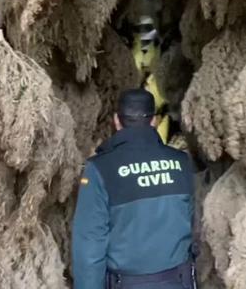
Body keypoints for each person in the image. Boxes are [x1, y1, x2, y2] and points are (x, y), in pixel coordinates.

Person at [71, 89, 196, 289]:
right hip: (178, 282)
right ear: (154, 121)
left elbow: (90, 246)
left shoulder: (100, 169)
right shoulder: (181, 162)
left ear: (117, 121)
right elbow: (194, 226)